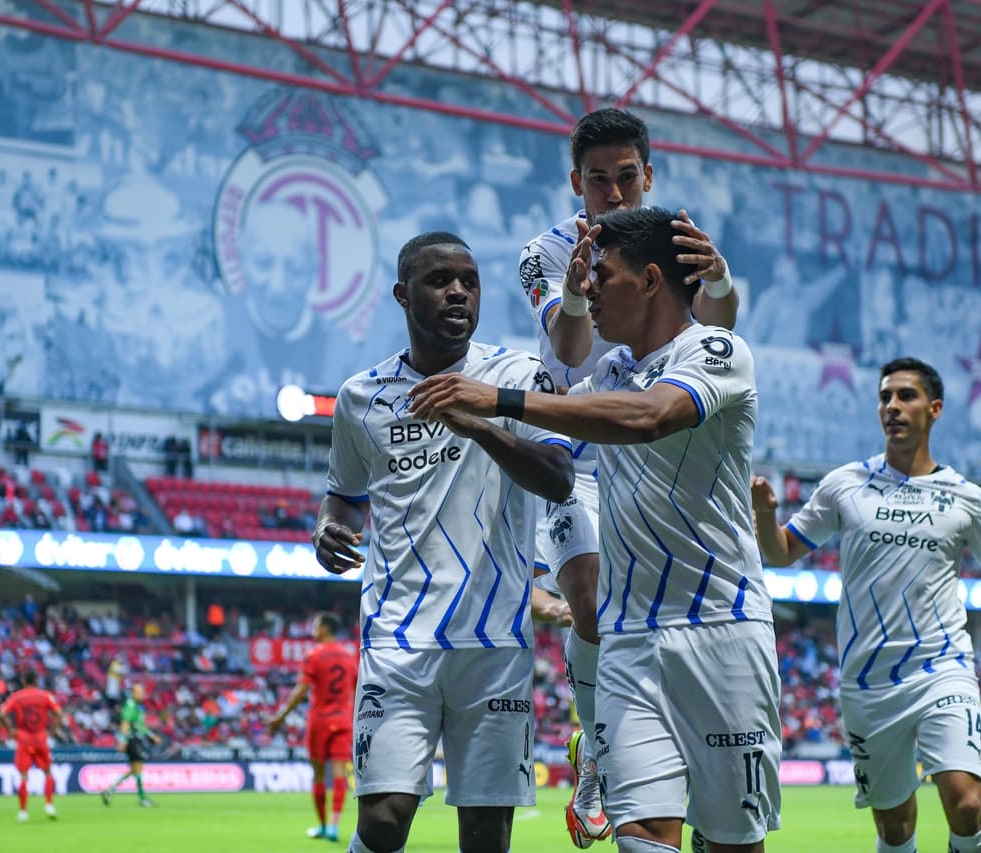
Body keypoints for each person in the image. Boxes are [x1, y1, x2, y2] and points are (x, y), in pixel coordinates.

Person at [412, 207, 781, 853]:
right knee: (640, 837)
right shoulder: (606, 374)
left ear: (649, 280)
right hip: (628, 642)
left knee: (731, 844)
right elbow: (555, 428)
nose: (584, 287)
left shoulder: (716, 350)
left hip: (721, 630)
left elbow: (650, 416)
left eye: (600, 275)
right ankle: (592, 758)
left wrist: (495, 400)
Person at [518, 107, 740, 847]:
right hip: (573, 441)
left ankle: (666, 762)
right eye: (596, 180)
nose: (611, 194)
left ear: (649, 175)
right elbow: (568, 352)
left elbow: (719, 331)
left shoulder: (672, 240)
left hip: (649, 446)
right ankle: (599, 756)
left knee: (650, 610)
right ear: (575, 183)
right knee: (585, 600)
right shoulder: (543, 253)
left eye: (624, 177)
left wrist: (721, 276)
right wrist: (580, 289)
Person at [314, 231, 575, 853]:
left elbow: (559, 478)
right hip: (397, 634)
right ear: (404, 294)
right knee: (382, 820)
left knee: (486, 835)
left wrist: (479, 424)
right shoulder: (361, 398)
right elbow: (345, 496)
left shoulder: (516, 374)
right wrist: (329, 529)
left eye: (469, 280)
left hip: (494, 641)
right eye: (439, 280)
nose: (458, 290)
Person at [750, 357, 981, 853]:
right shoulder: (845, 484)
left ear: (935, 409)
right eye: (885, 397)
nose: (892, 406)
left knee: (967, 803)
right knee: (895, 828)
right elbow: (779, 553)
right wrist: (764, 514)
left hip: (942, 668)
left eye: (905, 396)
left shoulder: (967, 498)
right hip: (867, 683)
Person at [266, 612, 360, 842]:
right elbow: (355, 690)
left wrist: (281, 716)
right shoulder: (349, 656)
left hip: (319, 720)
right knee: (339, 773)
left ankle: (323, 825)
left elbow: (301, 689)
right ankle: (335, 826)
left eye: (316, 626)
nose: (312, 630)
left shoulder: (314, 654)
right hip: (344, 720)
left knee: (318, 775)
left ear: (325, 629)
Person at [0, 669, 64, 822]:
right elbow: (59, 714)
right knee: (47, 772)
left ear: (23, 681)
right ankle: (49, 805)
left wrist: (10, 731)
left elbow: (1, 713)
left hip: (23, 738)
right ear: (36, 681)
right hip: (41, 737)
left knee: (23, 776)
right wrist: (52, 732)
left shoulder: (17, 697)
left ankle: (23, 811)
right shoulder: (45, 696)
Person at [101, 682, 161, 808]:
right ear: (133, 693)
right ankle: (141, 798)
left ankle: (110, 790)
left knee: (135, 769)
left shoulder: (138, 706)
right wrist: (122, 740)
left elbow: (141, 726)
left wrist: (151, 736)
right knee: (137, 768)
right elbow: (125, 723)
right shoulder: (130, 705)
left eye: (142, 692)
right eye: (139, 692)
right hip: (132, 739)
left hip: (136, 739)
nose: (142, 694)